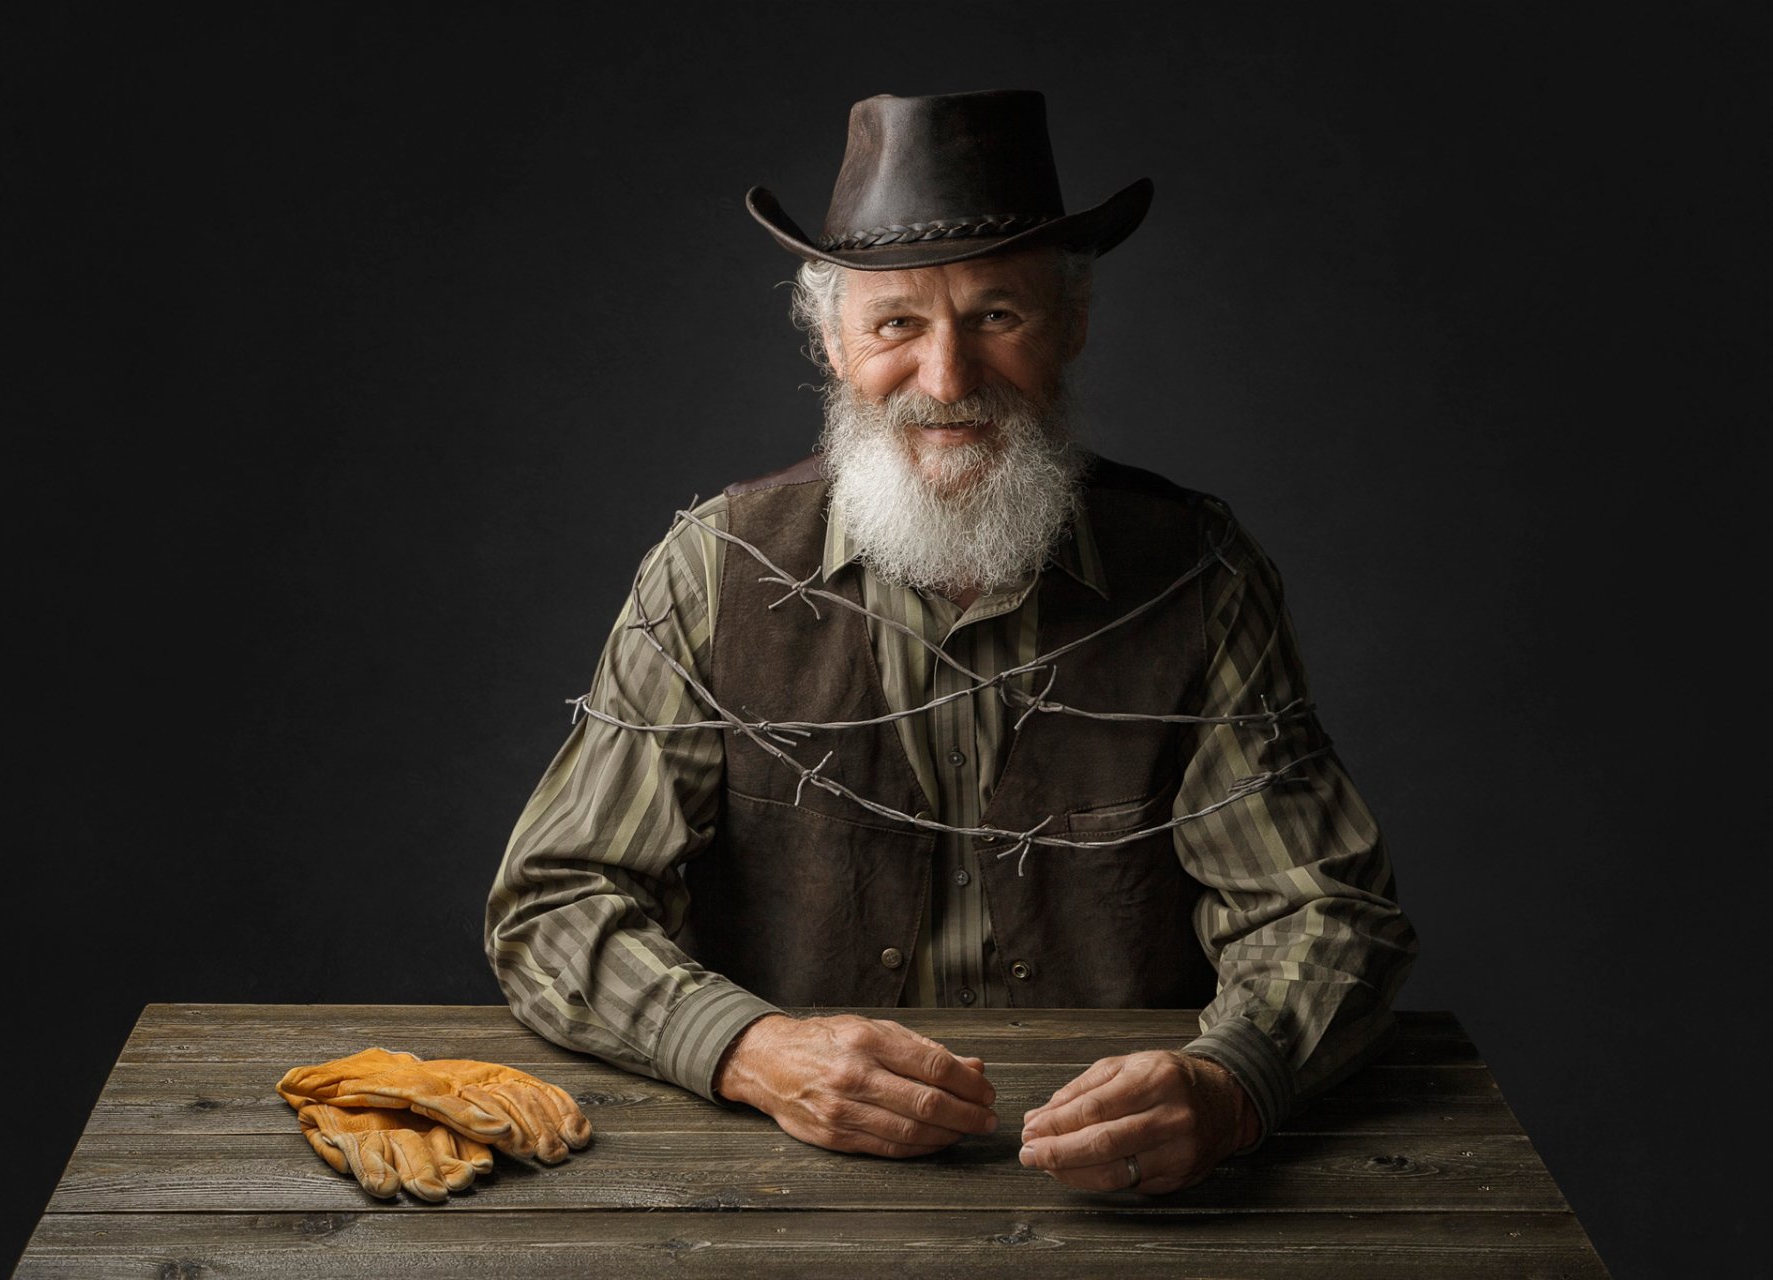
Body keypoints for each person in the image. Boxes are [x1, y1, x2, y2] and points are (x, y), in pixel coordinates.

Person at [487, 88, 1417, 1195]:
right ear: (831, 340)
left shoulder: (1201, 574)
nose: (946, 378)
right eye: (897, 325)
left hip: (1125, 1193)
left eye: (997, 316)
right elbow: (555, 900)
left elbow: (1321, 906)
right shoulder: (709, 571)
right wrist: (750, 1049)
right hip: (780, 1185)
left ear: (1070, 325)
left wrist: (1231, 1080)